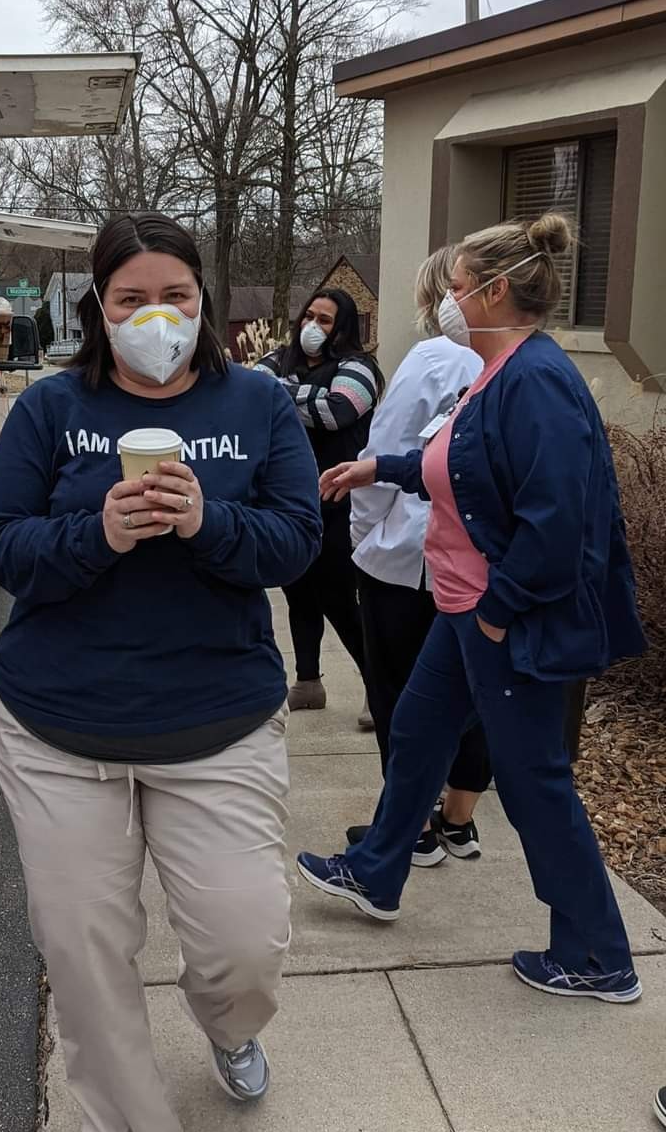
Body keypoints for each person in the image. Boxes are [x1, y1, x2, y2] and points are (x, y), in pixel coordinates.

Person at [0, 212, 321, 1132]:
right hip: (58, 726)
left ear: (203, 302)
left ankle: (230, 1029)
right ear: (100, 307)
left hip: (215, 720)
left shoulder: (257, 403)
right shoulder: (50, 410)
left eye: (174, 295)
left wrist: (210, 520)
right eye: (131, 299)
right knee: (84, 944)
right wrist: (99, 533)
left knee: (243, 943)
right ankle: (118, 1117)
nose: (154, 316)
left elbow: (296, 543)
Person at [296, 213, 647, 1004]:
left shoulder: (538, 382)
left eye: (456, 289)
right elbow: (462, 466)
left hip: (503, 618)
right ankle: (379, 871)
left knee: (534, 784)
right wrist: (375, 466)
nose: (446, 303)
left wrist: (499, 608)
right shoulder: (497, 372)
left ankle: (599, 954)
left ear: (494, 292)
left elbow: (558, 523)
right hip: (467, 612)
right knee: (418, 731)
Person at [346, 247, 492, 867]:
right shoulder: (522, 365)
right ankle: (458, 820)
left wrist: (363, 534)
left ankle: (410, 829)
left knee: (401, 696)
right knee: (475, 694)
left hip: (412, 560)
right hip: (482, 567)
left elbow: (386, 448)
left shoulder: (433, 358)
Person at [256, 290, 383, 725]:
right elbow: (254, 394)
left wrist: (284, 395)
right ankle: (308, 681)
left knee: (338, 596)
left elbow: (339, 411)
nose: (313, 325)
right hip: (289, 496)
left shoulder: (361, 368)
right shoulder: (280, 357)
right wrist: (303, 394)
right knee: (297, 589)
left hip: (339, 497)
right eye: (309, 315)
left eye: (325, 320)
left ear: (342, 327)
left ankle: (378, 686)